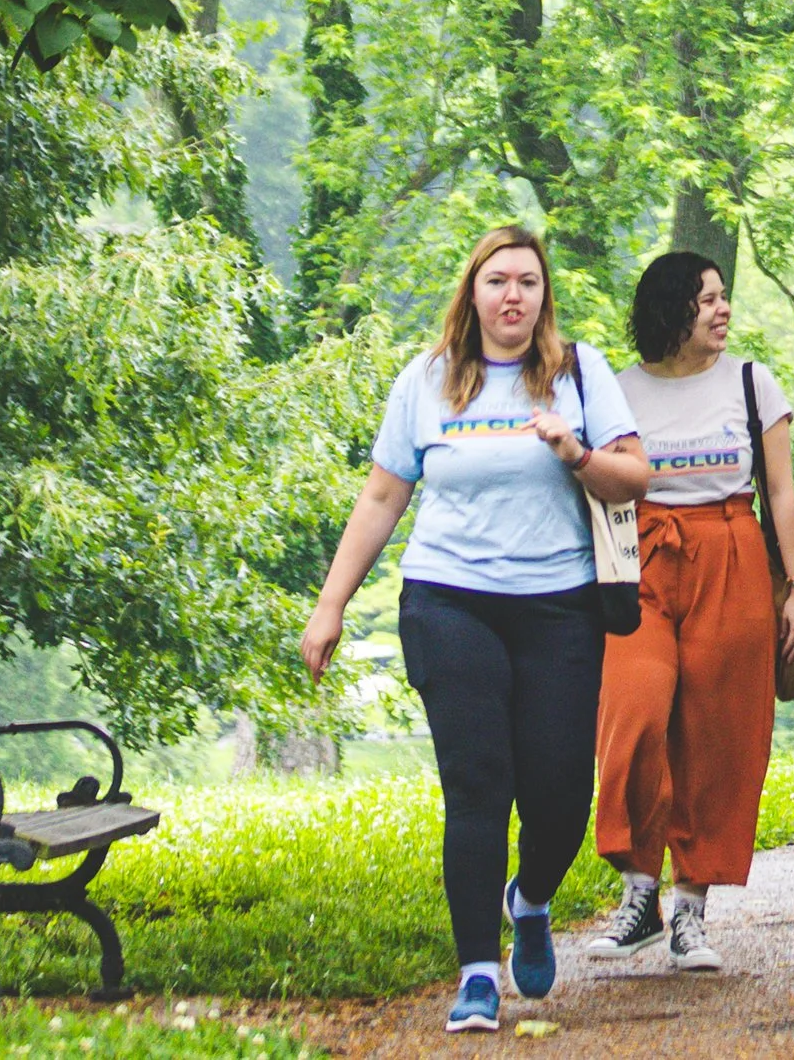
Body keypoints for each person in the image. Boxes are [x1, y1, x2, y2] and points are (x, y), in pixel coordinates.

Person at [302, 221, 650, 1036]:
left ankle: (529, 900)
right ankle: (477, 974)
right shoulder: (427, 380)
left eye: (528, 283)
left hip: (559, 605)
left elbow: (633, 475)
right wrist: (331, 604)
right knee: (478, 785)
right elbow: (383, 497)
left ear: (543, 298)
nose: (513, 297)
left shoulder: (577, 373)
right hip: (449, 599)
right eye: (498, 282)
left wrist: (574, 452)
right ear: (473, 293)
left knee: (562, 793)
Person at [592, 250, 794, 975]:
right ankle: (638, 891)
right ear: (671, 309)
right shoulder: (616, 394)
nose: (723, 310)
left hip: (731, 554)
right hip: (640, 558)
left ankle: (689, 908)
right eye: (707, 299)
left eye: (724, 298)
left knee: (721, 735)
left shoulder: (752, 383)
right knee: (635, 714)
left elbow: (780, 493)